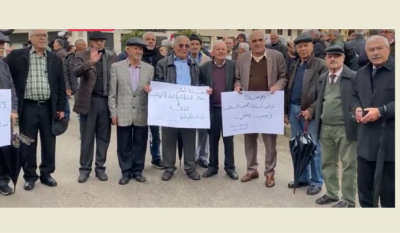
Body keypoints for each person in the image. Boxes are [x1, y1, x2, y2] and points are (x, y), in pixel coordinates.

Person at [3, 29, 66, 191]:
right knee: (27, 143)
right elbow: (3, 70)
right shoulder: (17, 56)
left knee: (49, 142)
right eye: (38, 35)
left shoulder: (54, 59)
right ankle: (30, 176)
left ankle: (46, 173)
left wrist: (60, 107)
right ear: (30, 38)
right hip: (27, 107)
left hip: (47, 107)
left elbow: (60, 85)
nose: (43, 38)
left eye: (45, 35)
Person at [153, 35, 211, 181]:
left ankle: (190, 168)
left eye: (187, 46)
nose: (184, 48)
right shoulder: (163, 63)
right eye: (181, 45)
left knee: (190, 138)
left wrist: (205, 90)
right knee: (168, 138)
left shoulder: (195, 66)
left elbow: (200, 83)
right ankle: (169, 168)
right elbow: (158, 81)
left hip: (189, 109)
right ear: (174, 47)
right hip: (169, 108)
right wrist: (152, 89)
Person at [235, 30, 288, 187]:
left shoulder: (276, 56)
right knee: (249, 140)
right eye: (254, 41)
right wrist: (237, 86)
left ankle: (270, 173)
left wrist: (277, 86)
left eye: (260, 40)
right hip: (249, 106)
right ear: (249, 43)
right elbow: (237, 78)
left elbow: (284, 76)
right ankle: (252, 169)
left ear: (264, 41)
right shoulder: (242, 58)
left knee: (270, 141)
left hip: (268, 106)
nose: (257, 43)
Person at [352, 35, 395, 208]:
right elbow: (354, 96)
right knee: (365, 193)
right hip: (366, 143)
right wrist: (356, 108)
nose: (375, 52)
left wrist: (383, 111)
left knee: (390, 195)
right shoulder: (361, 73)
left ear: (389, 50)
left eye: (379, 48)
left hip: (391, 145)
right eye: (371, 49)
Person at [313, 46, 358, 208]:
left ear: (343, 58)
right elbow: (320, 101)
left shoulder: (353, 77)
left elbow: (359, 100)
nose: (333, 59)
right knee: (327, 162)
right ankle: (332, 193)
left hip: (345, 127)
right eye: (329, 56)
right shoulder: (323, 77)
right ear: (325, 59)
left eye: (337, 56)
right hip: (326, 126)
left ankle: (348, 200)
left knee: (348, 165)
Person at [284, 34, 327, 195]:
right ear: (295, 48)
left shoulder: (321, 65)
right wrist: (287, 111)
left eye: (305, 46)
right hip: (294, 110)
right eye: (299, 46)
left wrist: (312, 110)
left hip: (310, 112)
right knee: (298, 146)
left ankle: (316, 181)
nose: (302, 49)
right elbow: (290, 89)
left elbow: (323, 93)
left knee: (313, 147)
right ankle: (302, 177)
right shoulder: (295, 64)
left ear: (312, 47)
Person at [73, 31, 117, 183]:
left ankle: (100, 168)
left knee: (104, 138)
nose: (100, 43)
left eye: (102, 40)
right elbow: (76, 72)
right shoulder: (81, 55)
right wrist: (90, 62)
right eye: (97, 41)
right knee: (87, 137)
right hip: (88, 101)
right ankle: (84, 169)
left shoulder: (111, 56)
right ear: (90, 42)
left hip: (105, 101)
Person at [109, 38, 153, 185]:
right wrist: (113, 113)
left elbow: (154, 91)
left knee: (141, 143)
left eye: (141, 49)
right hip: (123, 112)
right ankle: (126, 172)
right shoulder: (116, 67)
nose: (139, 51)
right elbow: (112, 93)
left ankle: (138, 171)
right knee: (124, 144)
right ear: (127, 49)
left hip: (142, 111)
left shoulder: (149, 68)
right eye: (136, 48)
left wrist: (150, 91)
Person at [199, 40, 238, 180]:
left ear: (227, 51)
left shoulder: (234, 66)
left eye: (223, 49)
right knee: (213, 139)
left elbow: (238, 80)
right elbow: (199, 83)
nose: (221, 51)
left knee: (229, 141)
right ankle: (212, 167)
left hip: (229, 110)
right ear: (213, 52)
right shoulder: (204, 67)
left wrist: (237, 86)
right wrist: (204, 88)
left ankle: (230, 168)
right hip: (212, 109)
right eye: (218, 49)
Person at [141, 32, 165, 169]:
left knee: (156, 132)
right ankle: (138, 158)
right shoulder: (137, 56)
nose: (150, 42)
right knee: (140, 132)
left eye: (153, 40)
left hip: (157, 102)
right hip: (140, 100)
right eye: (148, 39)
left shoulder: (162, 59)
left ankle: (156, 157)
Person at [188, 33, 211, 168]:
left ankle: (202, 157)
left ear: (201, 45)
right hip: (188, 99)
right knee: (190, 131)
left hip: (203, 100)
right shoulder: (184, 59)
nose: (195, 46)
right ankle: (191, 157)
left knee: (203, 130)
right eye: (192, 44)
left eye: (197, 44)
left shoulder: (208, 60)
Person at [0, 59, 18, 196]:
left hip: (3, 112)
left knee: (4, 148)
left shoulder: (3, 64)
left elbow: (11, 87)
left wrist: (13, 109)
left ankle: (3, 181)